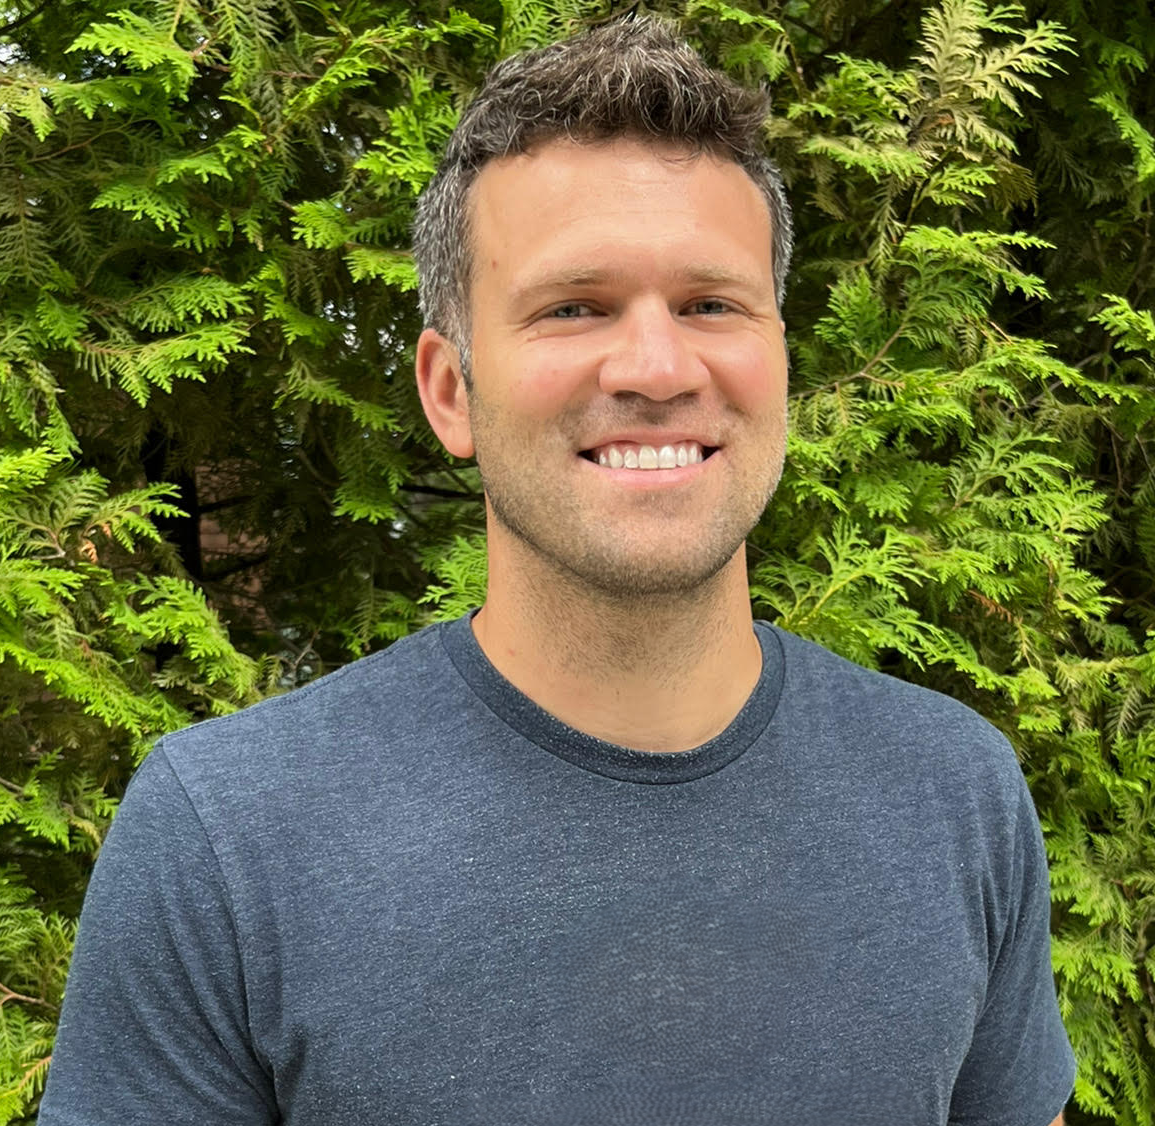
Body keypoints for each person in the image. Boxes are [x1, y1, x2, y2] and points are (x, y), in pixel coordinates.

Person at [39, 17, 1076, 1126]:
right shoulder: (226, 837)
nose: (656, 367)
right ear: (449, 391)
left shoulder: (955, 791)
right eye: (573, 307)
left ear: (779, 356)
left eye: (711, 304)